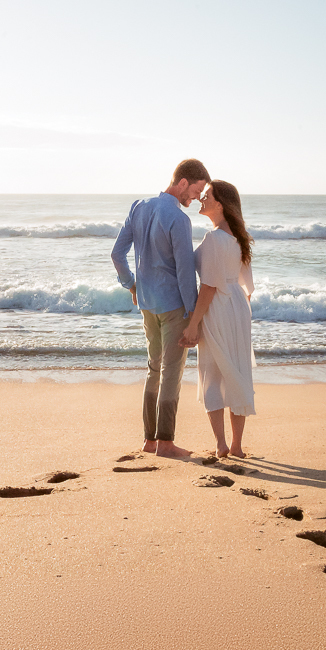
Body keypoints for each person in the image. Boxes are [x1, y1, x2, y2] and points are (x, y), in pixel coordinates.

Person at [111, 159, 212, 458]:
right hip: (173, 307)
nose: (194, 199)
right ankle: (165, 442)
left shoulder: (138, 207)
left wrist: (131, 285)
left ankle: (149, 440)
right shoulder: (179, 220)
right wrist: (193, 315)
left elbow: (117, 254)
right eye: (195, 192)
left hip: (147, 304)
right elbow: (184, 273)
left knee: (154, 368)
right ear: (182, 182)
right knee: (171, 372)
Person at [180, 180, 255, 458]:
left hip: (219, 305)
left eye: (207, 196)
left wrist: (193, 324)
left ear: (220, 204)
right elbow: (245, 285)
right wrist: (239, 317)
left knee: (211, 373)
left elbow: (209, 286)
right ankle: (236, 445)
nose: (202, 198)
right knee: (236, 370)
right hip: (236, 306)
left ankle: (222, 445)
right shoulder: (238, 237)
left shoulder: (213, 238)